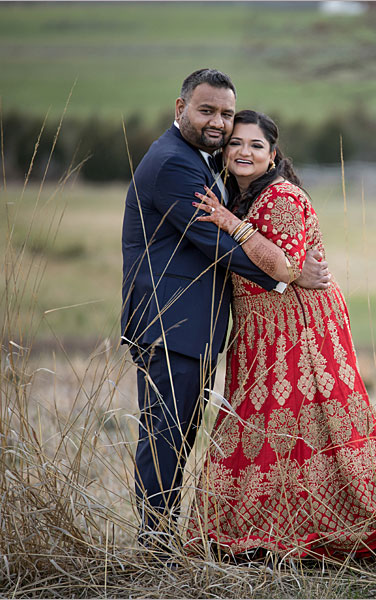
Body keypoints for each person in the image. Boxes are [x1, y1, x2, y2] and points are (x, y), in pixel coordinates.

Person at [184, 110, 376, 560]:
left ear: (272, 154)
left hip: (298, 326)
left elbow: (284, 267)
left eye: (256, 145)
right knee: (260, 424)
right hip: (261, 326)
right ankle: (260, 536)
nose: (244, 151)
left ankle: (365, 529)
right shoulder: (238, 196)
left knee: (309, 424)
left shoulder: (280, 196)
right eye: (236, 143)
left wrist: (228, 222)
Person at [120, 70, 330, 552]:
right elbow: (213, 240)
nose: (218, 123)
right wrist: (288, 272)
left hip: (192, 328)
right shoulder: (174, 164)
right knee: (166, 436)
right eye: (206, 111)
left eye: (226, 114)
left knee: (179, 432)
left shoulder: (199, 160)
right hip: (170, 324)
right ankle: (155, 546)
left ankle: (163, 538)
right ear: (180, 109)